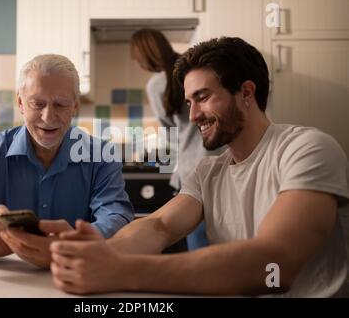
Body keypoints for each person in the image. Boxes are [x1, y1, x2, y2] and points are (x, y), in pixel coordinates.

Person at [49, 37, 349, 297]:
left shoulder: (307, 148)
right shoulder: (208, 172)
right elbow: (159, 226)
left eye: (203, 98)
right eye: (189, 102)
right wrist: (99, 253)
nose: (193, 116)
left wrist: (123, 269)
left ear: (246, 93)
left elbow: (274, 267)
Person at [0, 54, 134, 268]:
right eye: (37, 104)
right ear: (20, 103)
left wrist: (74, 243)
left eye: (61, 104)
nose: (48, 117)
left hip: (75, 275)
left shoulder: (101, 154)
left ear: (75, 106)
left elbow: (116, 214)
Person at [130, 29, 221, 249]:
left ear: (144, 56)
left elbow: (170, 130)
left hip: (192, 170)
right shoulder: (197, 71)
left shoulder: (156, 85)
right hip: (222, 161)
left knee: (199, 245)